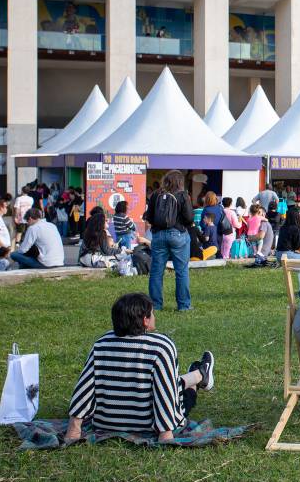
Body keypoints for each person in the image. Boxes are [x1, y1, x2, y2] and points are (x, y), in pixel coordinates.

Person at [66, 293, 215, 444]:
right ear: (145, 320)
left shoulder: (101, 343)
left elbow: (85, 387)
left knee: (170, 382)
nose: (154, 317)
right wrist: (166, 434)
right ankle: (199, 376)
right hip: (148, 425)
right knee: (179, 391)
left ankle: (200, 373)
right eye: (152, 313)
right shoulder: (161, 346)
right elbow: (166, 391)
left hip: (106, 424)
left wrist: (74, 428)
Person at [144, 170, 194, 312]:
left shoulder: (156, 195)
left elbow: (149, 217)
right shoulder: (183, 195)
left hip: (159, 235)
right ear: (180, 182)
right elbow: (190, 218)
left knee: (156, 272)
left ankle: (155, 306)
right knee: (181, 271)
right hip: (178, 234)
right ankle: (184, 306)